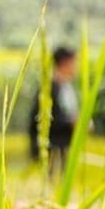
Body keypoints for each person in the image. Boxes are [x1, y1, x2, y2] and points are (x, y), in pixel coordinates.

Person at [29, 45, 79, 176]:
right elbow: (40, 118)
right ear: (64, 63)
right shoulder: (49, 88)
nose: (77, 66)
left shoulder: (67, 88)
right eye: (74, 62)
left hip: (65, 147)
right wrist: (70, 123)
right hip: (52, 148)